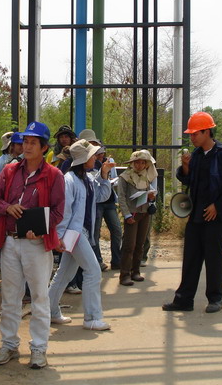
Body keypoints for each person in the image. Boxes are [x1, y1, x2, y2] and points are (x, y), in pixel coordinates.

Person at [0, 121, 65, 370]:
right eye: (25, 141)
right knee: (10, 296)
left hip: (37, 244)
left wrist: (40, 230)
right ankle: (9, 344)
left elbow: (58, 211)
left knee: (40, 296)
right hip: (10, 241)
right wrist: (7, 207)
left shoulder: (54, 175)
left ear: (44, 147)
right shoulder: (10, 170)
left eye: (33, 142)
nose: (27, 146)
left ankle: (39, 348)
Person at [163, 112, 222, 314]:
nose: (192, 138)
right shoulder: (196, 156)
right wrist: (186, 167)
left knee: (214, 258)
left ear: (207, 132)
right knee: (191, 258)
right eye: (190, 134)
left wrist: (219, 206)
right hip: (196, 216)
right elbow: (188, 180)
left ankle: (215, 299)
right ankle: (184, 300)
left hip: (215, 218)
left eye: (195, 134)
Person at [48, 140, 113, 331]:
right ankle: (92, 318)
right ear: (84, 159)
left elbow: (101, 196)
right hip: (73, 233)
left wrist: (104, 175)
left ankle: (49, 311)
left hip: (78, 233)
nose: (96, 158)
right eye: (93, 155)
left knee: (65, 273)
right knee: (93, 271)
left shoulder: (87, 178)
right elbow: (64, 210)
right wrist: (59, 236)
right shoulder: (69, 180)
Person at [117, 150, 159, 286]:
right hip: (132, 213)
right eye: (136, 162)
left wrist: (151, 197)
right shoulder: (124, 177)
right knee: (129, 245)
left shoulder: (147, 176)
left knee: (140, 244)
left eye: (142, 163)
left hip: (144, 213)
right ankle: (124, 274)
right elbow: (121, 197)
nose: (139, 165)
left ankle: (135, 271)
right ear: (132, 163)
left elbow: (150, 193)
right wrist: (126, 214)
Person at [93, 145, 123, 270]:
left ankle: (117, 260)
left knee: (117, 230)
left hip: (109, 200)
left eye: (102, 153)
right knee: (95, 232)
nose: (101, 156)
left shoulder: (109, 162)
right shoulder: (90, 164)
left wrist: (110, 179)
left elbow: (114, 178)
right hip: (97, 202)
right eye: (98, 154)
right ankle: (98, 261)